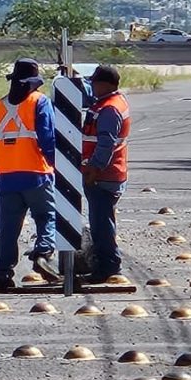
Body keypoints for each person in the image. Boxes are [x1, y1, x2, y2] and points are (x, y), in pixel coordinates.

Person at [0, 58, 60, 292]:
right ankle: (43, 252)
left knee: (8, 229)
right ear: (33, 83)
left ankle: (2, 274)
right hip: (37, 174)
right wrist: (58, 167)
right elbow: (48, 139)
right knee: (46, 217)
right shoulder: (39, 102)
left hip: (7, 177)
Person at [80, 65, 130, 284]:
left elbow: (106, 143)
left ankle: (108, 266)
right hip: (109, 173)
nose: (92, 86)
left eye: (95, 83)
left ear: (105, 84)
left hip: (104, 175)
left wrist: (94, 168)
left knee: (102, 225)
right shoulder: (109, 103)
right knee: (102, 222)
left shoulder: (109, 109)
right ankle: (107, 263)